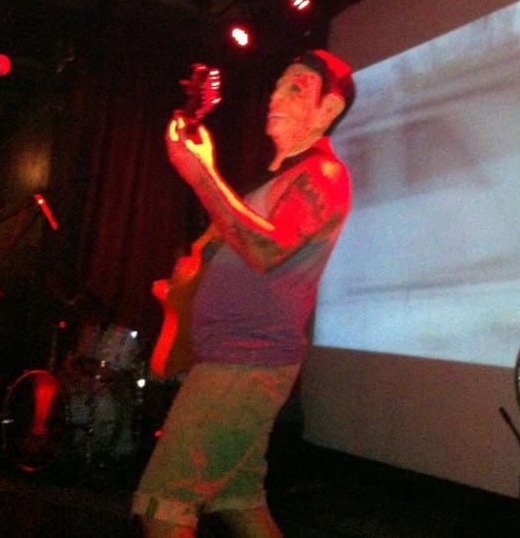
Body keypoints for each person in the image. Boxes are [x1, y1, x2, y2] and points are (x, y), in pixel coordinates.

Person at [131, 49, 356, 538]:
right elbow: (229, 241)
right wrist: (194, 266)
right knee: (240, 503)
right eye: (277, 85)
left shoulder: (324, 176)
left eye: (295, 88)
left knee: (164, 507)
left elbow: (266, 248)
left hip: (246, 361)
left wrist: (201, 173)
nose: (275, 97)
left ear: (328, 109)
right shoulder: (274, 179)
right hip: (237, 358)